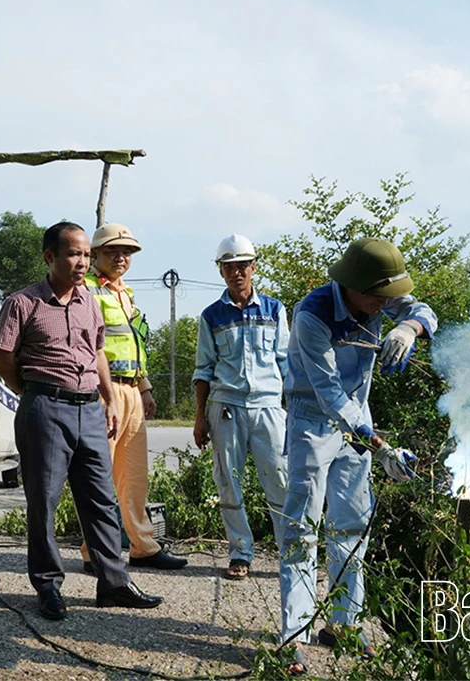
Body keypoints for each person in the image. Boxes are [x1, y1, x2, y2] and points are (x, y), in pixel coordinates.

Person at [0, 221, 163, 621]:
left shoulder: (89, 301)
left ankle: (114, 584)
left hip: (90, 410)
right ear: (50, 257)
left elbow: (98, 352)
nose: (82, 261)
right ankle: (48, 586)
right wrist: (32, 392)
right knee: (44, 501)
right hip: (46, 409)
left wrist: (108, 398)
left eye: (86, 254)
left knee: (101, 500)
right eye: (73, 253)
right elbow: (3, 359)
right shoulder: (23, 303)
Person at [279, 237, 436, 675]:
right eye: (379, 300)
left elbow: (422, 310)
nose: (384, 306)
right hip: (313, 419)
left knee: (351, 524)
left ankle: (344, 625)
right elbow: (329, 394)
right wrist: (382, 446)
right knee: (302, 529)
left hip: (359, 420)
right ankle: (295, 634)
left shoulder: (376, 296)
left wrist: (410, 329)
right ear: (355, 288)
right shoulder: (312, 315)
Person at [79, 223, 186, 571]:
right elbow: (88, 347)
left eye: (126, 252)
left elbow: (131, 344)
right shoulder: (87, 290)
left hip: (131, 392)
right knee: (98, 476)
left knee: (135, 476)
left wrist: (145, 388)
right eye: (113, 251)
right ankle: (94, 551)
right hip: (101, 393)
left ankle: (143, 546)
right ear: (95, 254)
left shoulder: (125, 294)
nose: (121, 257)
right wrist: (105, 394)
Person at [192, 234, 289, 581]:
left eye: (242, 266)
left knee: (279, 478)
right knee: (229, 482)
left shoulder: (275, 309)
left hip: (268, 406)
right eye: (229, 267)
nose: (237, 273)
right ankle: (240, 553)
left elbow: (285, 361)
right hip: (226, 405)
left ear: (253, 267)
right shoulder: (211, 316)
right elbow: (204, 368)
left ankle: (291, 554)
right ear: (221, 271)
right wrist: (200, 418)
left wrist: (295, 407)